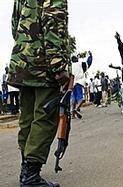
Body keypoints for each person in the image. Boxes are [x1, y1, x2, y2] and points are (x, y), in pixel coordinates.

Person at [7, 1, 70, 186]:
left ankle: (25, 170)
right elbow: (54, 21)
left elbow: (15, 24)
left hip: (22, 62)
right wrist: (58, 64)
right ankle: (30, 175)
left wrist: (26, 47)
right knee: (45, 117)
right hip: (44, 65)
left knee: (28, 118)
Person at [71, 51, 93, 117]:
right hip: (79, 82)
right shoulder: (81, 64)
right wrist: (90, 56)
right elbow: (88, 63)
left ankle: (72, 115)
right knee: (81, 98)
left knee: (73, 98)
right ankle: (76, 109)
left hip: (72, 83)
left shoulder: (71, 65)